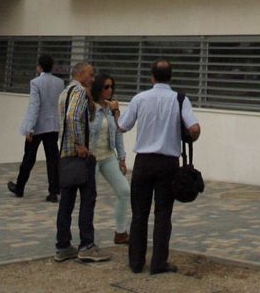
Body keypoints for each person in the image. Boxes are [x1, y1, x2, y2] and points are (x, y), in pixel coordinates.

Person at [116, 58, 200, 276]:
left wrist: (116, 112)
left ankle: (136, 262)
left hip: (144, 161)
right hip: (168, 163)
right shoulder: (180, 99)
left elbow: (122, 126)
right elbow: (194, 128)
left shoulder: (140, 98)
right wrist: (188, 136)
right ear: (170, 77)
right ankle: (159, 262)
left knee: (139, 213)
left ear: (151, 77)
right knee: (163, 214)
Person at [52, 61, 109, 264]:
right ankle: (87, 245)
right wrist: (80, 143)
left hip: (65, 155)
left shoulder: (64, 93)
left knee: (66, 203)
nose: (93, 79)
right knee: (87, 200)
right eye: (90, 75)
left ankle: (63, 246)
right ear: (82, 74)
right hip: (80, 156)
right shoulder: (79, 92)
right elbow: (73, 117)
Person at [7, 54, 65, 202]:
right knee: (53, 159)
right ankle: (54, 191)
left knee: (29, 157)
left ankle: (20, 187)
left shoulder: (35, 82)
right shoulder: (60, 83)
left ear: (39, 67)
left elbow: (34, 106)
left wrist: (29, 128)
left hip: (38, 126)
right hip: (53, 125)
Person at [89, 71, 130, 245]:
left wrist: (122, 158)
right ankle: (87, 237)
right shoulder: (90, 107)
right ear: (98, 88)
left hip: (107, 155)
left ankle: (120, 232)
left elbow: (118, 132)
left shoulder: (110, 109)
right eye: (106, 87)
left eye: (112, 87)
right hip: (91, 157)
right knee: (90, 196)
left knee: (124, 190)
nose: (110, 90)